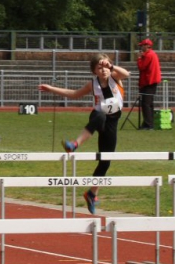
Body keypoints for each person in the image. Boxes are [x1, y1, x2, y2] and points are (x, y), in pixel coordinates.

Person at [38, 54, 130, 214]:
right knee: (100, 115)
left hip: (112, 122)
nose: (103, 71)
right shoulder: (93, 84)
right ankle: (74, 144)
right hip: (97, 118)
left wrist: (111, 67)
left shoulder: (115, 77)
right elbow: (74, 94)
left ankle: (92, 194)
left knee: (105, 161)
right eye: (99, 68)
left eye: (105, 67)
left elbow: (127, 74)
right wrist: (51, 89)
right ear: (94, 71)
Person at [136, 38, 162, 130]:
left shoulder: (148, 55)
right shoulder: (152, 54)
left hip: (148, 82)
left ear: (147, 46)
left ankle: (148, 124)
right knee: (149, 103)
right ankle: (149, 123)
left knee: (146, 104)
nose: (141, 47)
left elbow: (141, 67)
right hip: (152, 81)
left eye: (142, 45)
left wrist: (139, 58)